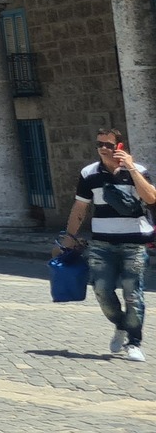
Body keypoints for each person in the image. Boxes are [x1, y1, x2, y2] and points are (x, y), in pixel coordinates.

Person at [60, 127, 156, 362]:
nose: (103, 148)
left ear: (119, 146)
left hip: (134, 243)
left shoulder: (138, 171)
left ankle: (134, 342)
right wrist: (69, 238)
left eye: (109, 145)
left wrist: (131, 167)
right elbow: (80, 208)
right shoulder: (89, 173)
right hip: (102, 244)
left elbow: (151, 197)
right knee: (102, 291)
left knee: (133, 294)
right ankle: (121, 325)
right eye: (100, 144)